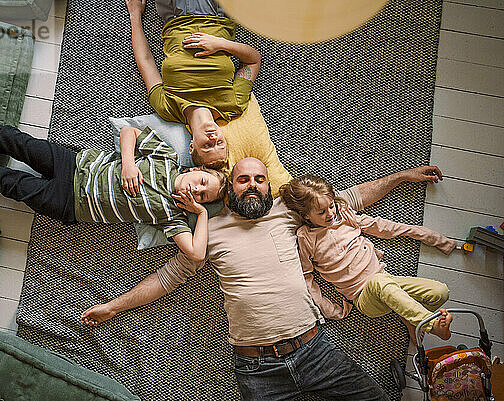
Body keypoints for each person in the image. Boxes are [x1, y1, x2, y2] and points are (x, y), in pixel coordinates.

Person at [81, 156, 445, 400]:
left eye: (260, 179)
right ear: (229, 187)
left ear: (271, 187)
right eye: (243, 179)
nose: (252, 184)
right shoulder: (210, 229)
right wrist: (114, 306)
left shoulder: (289, 212)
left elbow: (351, 197)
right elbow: (168, 276)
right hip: (256, 367)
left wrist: (402, 177)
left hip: (315, 350)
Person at [0, 78, 226, 261]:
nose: (195, 190)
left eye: (202, 195)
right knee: (10, 138)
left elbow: (197, 253)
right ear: (196, 167)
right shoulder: (167, 157)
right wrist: (128, 163)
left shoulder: (170, 216)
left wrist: (201, 214)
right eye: (201, 182)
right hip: (72, 162)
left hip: (68, 204)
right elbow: (129, 132)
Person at [279, 174, 456, 345]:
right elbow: (306, 276)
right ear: (307, 216)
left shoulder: (345, 216)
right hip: (365, 298)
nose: (330, 213)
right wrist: (329, 309)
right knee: (379, 282)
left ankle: (410, 317)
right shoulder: (306, 237)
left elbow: (382, 227)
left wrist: (433, 238)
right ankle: (430, 325)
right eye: (321, 212)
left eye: (331, 206)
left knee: (440, 292)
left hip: (386, 280)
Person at [127, 0, 261, 168]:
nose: (214, 139)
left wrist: (135, 15)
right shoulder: (233, 105)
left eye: (207, 146)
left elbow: (145, 61)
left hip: (174, 13)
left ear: (191, 146)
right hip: (218, 14)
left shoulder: (168, 108)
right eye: (220, 143)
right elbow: (253, 61)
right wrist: (221, 44)